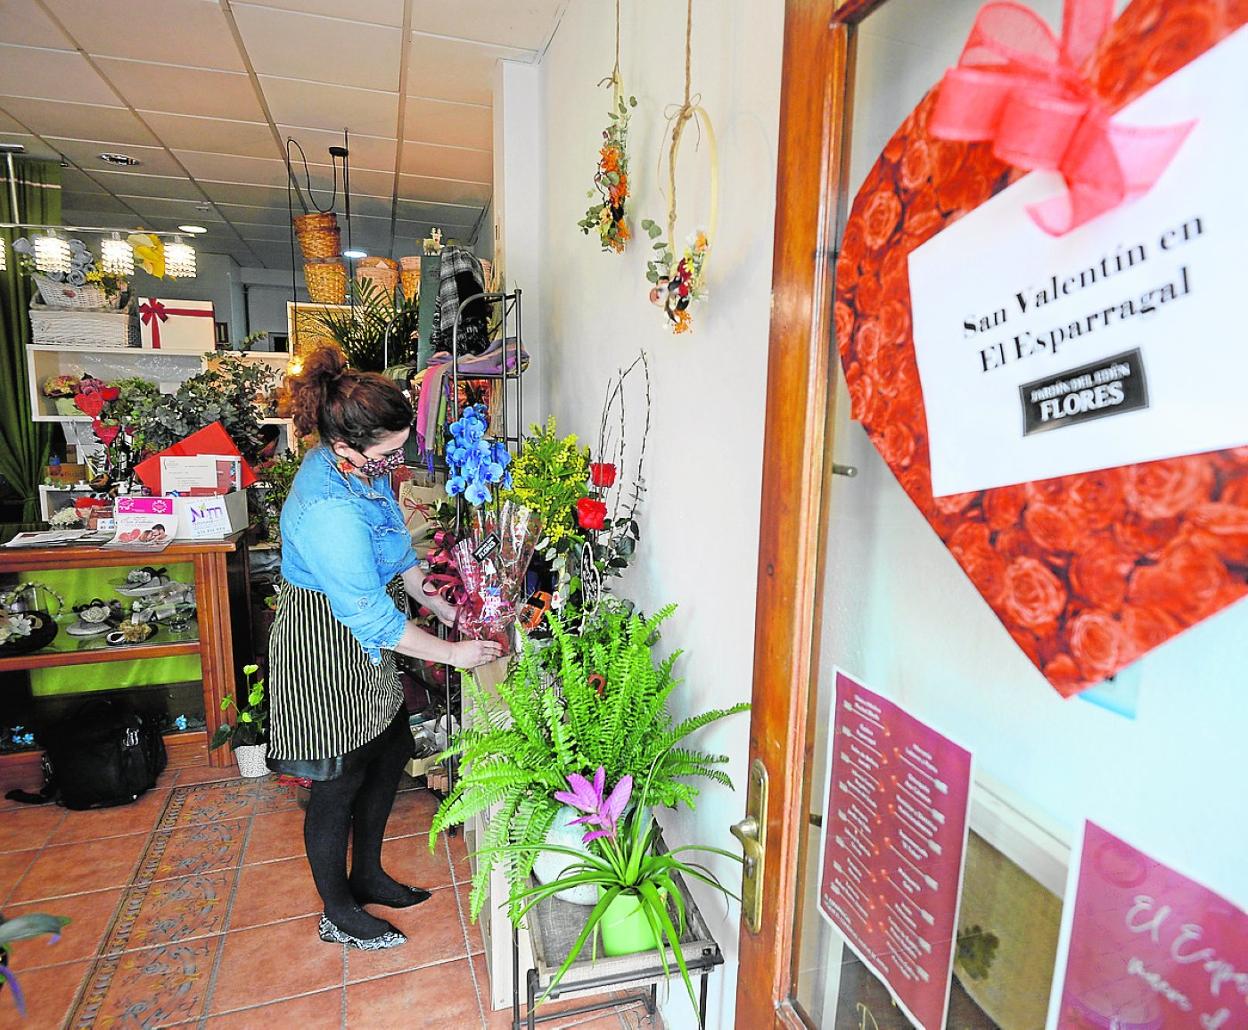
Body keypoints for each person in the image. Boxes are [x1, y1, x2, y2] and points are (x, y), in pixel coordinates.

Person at [269, 346, 504, 951]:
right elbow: (371, 618)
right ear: (346, 446)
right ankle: (337, 909)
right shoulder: (328, 510)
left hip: (366, 632)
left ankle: (367, 871)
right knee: (338, 778)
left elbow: (399, 562)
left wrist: (448, 609)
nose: (396, 461)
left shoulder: (362, 474)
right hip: (320, 639)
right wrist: (455, 655)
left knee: (389, 745)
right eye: (387, 452)